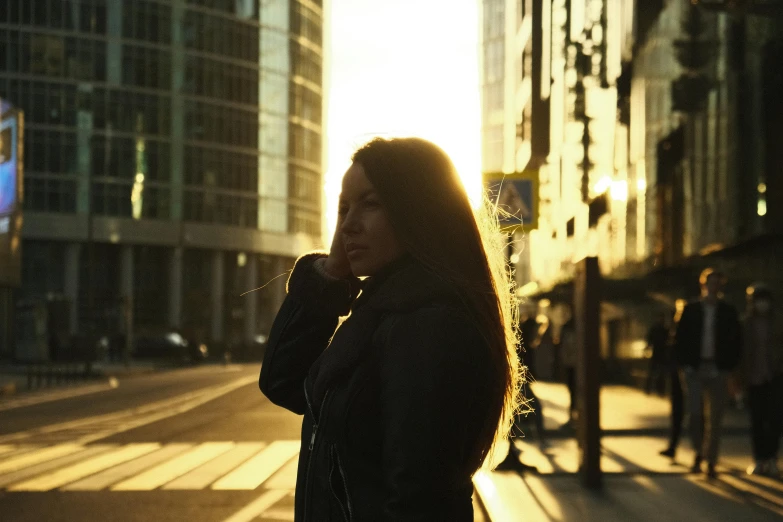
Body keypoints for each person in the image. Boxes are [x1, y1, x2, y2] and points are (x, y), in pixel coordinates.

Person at [259, 137, 522, 520]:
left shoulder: (428, 322)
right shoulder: (384, 312)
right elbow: (284, 382)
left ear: (418, 210)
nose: (349, 225)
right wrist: (332, 273)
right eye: (343, 208)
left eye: (371, 204)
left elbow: (419, 501)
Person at [674, 268, 741, 478]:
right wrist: (685, 364)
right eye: (710, 283)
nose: (714, 287)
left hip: (718, 369)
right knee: (695, 413)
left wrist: (728, 367)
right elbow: (680, 339)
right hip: (695, 368)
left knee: (716, 417)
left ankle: (711, 459)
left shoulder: (728, 312)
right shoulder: (691, 309)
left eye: (717, 283)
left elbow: (736, 341)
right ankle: (698, 453)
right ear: (703, 285)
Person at [740, 284, 782, 477]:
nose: (762, 305)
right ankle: (759, 459)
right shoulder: (747, 324)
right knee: (757, 420)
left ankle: (772, 459)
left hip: (774, 377)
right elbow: (742, 353)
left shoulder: (778, 322)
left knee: (774, 420)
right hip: (754, 378)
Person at [645, 312, 670, 396]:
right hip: (658, 353)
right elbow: (649, 340)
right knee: (654, 372)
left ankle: (658, 390)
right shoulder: (659, 329)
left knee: (659, 373)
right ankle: (651, 389)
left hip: (661, 353)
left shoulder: (663, 329)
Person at [559, 316, 577, 429]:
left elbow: (565, 349)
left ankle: (574, 418)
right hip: (572, 365)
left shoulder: (569, 333)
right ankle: (574, 417)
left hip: (572, 365)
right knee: (574, 393)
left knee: (574, 393)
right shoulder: (570, 332)